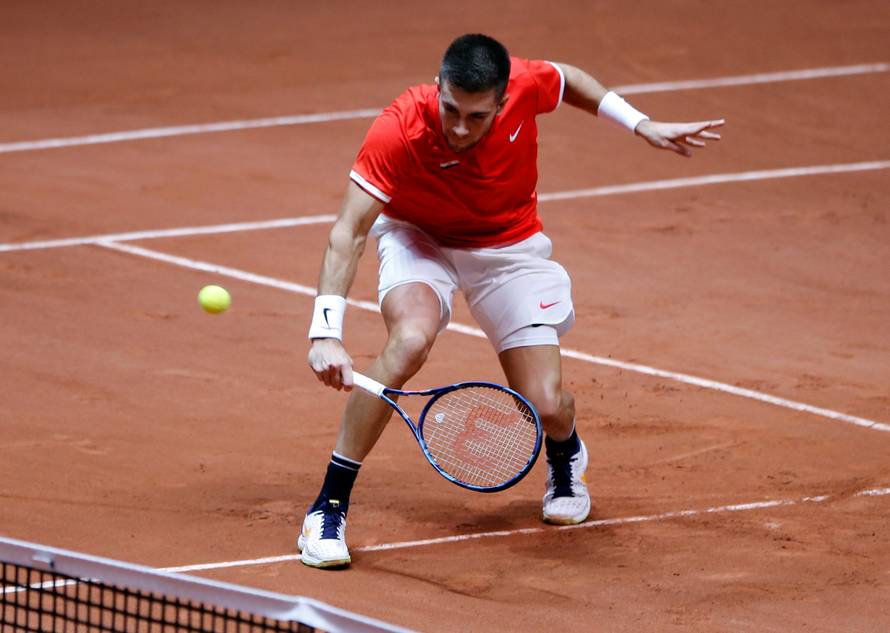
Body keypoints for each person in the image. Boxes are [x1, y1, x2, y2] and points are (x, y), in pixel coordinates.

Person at [299, 33, 724, 568]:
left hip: (508, 247)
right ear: (438, 87)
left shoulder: (525, 84)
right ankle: (328, 507)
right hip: (419, 237)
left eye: (476, 117)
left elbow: (568, 78)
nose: (458, 127)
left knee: (546, 403)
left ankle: (566, 451)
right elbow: (348, 231)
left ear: (503, 101)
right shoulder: (400, 127)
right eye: (449, 108)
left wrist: (639, 123)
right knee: (408, 342)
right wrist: (326, 331)